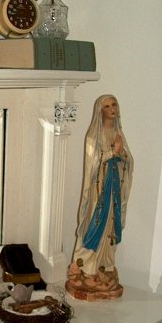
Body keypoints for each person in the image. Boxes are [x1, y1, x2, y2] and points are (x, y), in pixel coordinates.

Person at [66, 95, 134, 299]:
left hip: (114, 188)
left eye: (114, 105)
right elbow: (93, 163)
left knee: (111, 226)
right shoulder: (93, 135)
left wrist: (121, 155)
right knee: (95, 225)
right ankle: (86, 267)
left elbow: (128, 160)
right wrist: (113, 152)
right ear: (100, 111)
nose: (112, 109)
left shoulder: (118, 133)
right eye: (107, 106)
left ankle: (104, 266)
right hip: (98, 192)